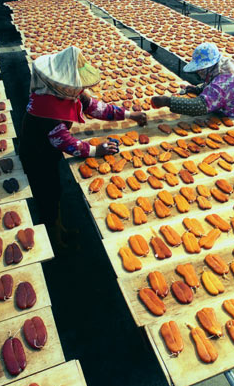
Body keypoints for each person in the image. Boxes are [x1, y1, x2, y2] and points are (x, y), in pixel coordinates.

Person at [20, 46, 146, 246]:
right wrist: (96, 150)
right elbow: (63, 141)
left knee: (56, 190)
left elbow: (96, 108)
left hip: (49, 150)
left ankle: (60, 228)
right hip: (38, 155)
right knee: (48, 194)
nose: (79, 90)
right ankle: (55, 240)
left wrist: (130, 115)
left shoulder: (69, 91)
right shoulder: (45, 107)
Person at [151, 42, 234, 133]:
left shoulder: (225, 81)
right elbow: (215, 87)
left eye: (200, 70)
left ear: (209, 67)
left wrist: (168, 101)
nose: (198, 73)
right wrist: (199, 89)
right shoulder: (222, 65)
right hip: (229, 116)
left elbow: (200, 106)